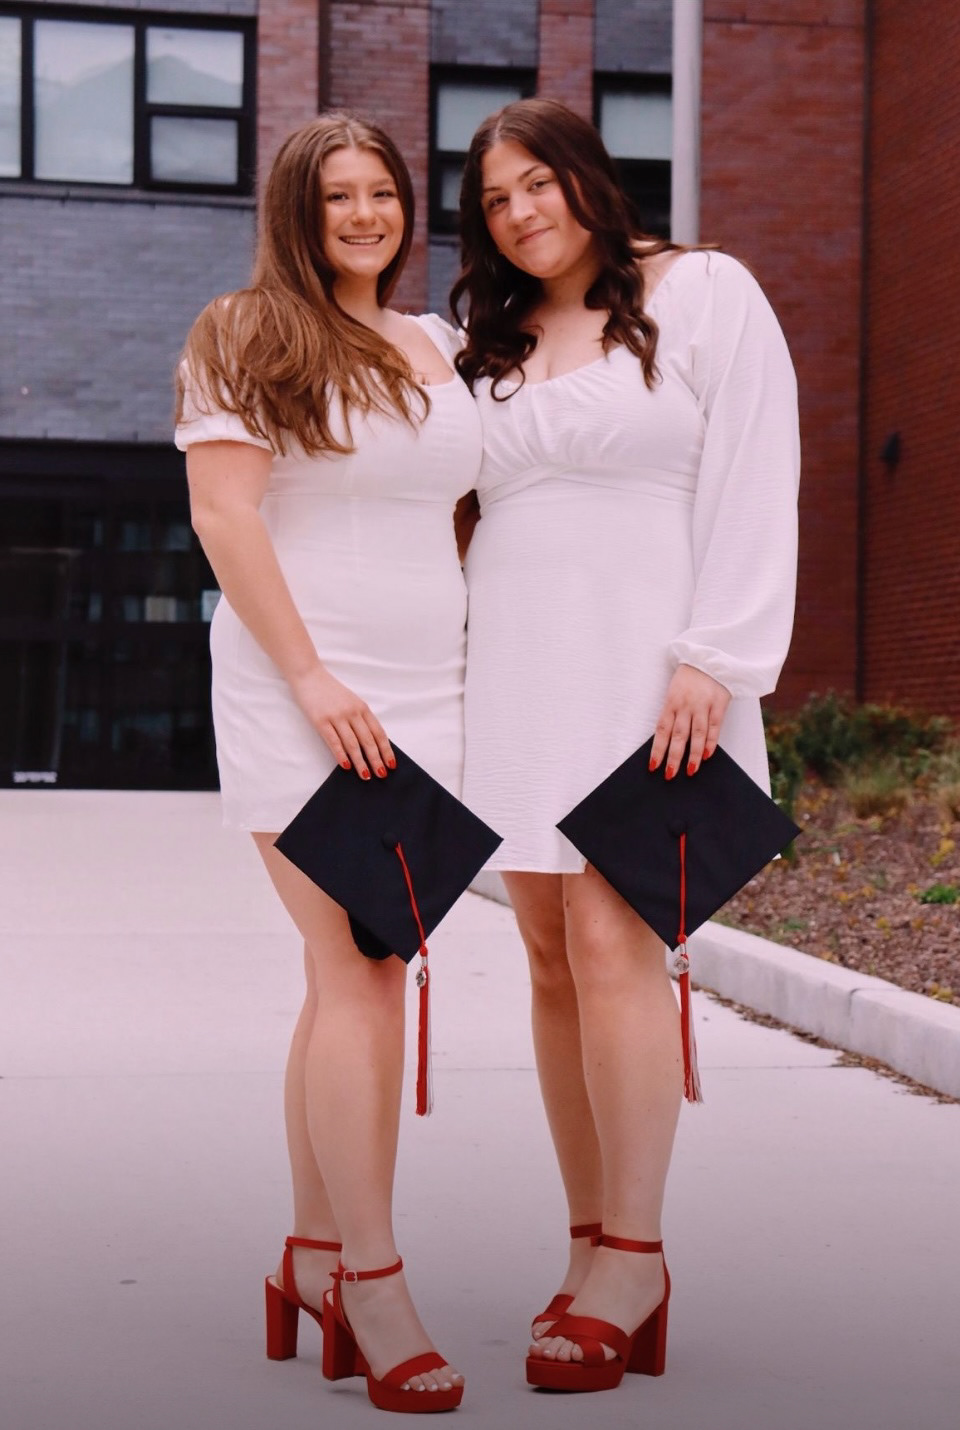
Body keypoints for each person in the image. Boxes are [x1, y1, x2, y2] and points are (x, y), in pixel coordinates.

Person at [452, 97, 800, 1393]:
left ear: (588, 177)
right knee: (549, 954)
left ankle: (637, 1256)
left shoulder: (705, 292)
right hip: (518, 674)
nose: (520, 212)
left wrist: (718, 655)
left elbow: (758, 474)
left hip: (654, 672)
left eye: (537, 183)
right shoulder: (486, 346)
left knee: (615, 941)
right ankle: (589, 1241)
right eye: (495, 200)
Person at [175, 112, 480, 1414]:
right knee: (362, 965)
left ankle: (309, 1256)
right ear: (295, 211)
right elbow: (223, 513)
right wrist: (309, 676)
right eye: (336, 195)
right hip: (304, 687)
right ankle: (373, 1280)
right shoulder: (243, 330)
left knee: (349, 971)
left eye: (381, 192)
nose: (363, 214)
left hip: (433, 693)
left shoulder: (441, 345)